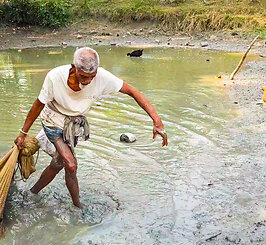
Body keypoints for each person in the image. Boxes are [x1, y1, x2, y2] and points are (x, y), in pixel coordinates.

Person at [14, 47, 168, 208]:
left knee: (59, 163)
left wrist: (157, 121)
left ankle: (33, 192)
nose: (87, 81)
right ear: (73, 68)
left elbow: (133, 91)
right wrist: (23, 133)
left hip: (73, 126)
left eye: (91, 77)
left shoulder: (102, 77)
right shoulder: (55, 76)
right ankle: (77, 207)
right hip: (52, 121)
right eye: (83, 77)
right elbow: (38, 105)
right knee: (71, 164)